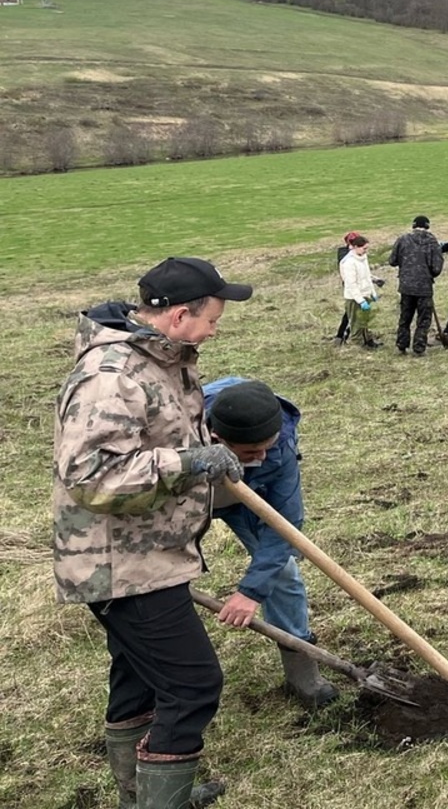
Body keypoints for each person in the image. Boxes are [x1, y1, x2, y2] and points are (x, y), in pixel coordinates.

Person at [54, 257, 253, 809]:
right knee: (193, 686)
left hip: (146, 551)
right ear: (180, 315)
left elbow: (161, 434)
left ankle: (141, 795)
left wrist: (207, 455)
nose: (216, 329)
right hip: (120, 564)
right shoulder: (111, 376)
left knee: (139, 676)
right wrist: (188, 463)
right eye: (213, 318)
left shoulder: (162, 361)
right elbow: (92, 477)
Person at [202, 377, 337, 708]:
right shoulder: (174, 427)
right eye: (251, 452)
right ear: (216, 438)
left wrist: (250, 592)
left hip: (243, 497)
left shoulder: (280, 443)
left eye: (268, 446)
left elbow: (286, 526)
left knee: (283, 573)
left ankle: (301, 669)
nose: (263, 456)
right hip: (181, 494)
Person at [388, 214, 444, 356]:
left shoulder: (402, 239)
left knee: (405, 316)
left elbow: (392, 261)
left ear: (413, 226)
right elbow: (437, 268)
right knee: (424, 319)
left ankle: (402, 345)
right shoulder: (432, 242)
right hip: (424, 287)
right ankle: (419, 348)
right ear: (427, 226)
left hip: (406, 286)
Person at [338, 232, 382, 348]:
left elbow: (367, 277)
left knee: (364, 321)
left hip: (365, 294)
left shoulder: (363, 258)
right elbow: (351, 284)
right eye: (364, 248)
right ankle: (356, 345)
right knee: (356, 323)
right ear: (356, 247)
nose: (366, 251)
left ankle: (367, 341)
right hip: (354, 298)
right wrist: (360, 300)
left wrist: (372, 293)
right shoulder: (348, 262)